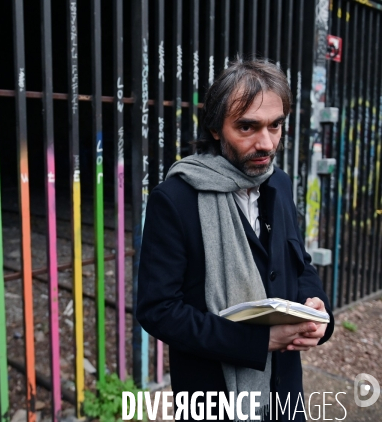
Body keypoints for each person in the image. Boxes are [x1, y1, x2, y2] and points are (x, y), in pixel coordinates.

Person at [136, 59, 334, 422]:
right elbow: (158, 310)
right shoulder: (176, 199)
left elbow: (297, 262)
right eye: (247, 127)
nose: (266, 143)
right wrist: (260, 343)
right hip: (212, 396)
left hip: (283, 392)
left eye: (275, 126)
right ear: (215, 128)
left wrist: (319, 312)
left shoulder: (279, 183)